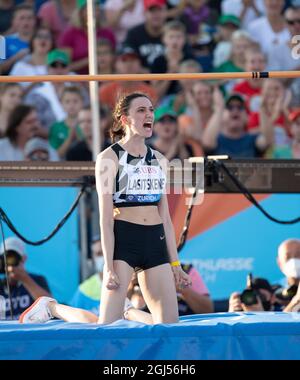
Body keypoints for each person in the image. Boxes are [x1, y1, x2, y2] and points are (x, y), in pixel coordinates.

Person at [19, 92, 191, 325]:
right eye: (141, 110)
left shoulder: (159, 159)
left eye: (151, 110)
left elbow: (167, 220)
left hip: (155, 241)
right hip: (125, 241)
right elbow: (106, 218)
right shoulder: (109, 158)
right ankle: (52, 307)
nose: (149, 114)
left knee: (169, 326)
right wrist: (108, 267)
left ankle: (128, 312)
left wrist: (175, 264)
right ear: (124, 119)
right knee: (104, 328)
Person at [0, 237, 51, 320]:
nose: (9, 262)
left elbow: (50, 307)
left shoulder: (37, 280)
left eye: (13, 257)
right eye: (6, 258)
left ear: (23, 258)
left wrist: (24, 278)